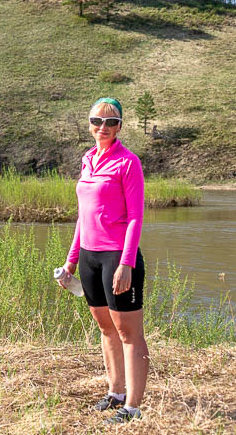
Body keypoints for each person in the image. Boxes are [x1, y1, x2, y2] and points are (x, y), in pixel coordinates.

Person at [60, 97, 149, 425]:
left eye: (111, 122)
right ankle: (116, 393)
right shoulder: (87, 160)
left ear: (120, 126)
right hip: (89, 258)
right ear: (89, 124)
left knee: (128, 333)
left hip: (117, 257)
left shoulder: (128, 163)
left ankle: (133, 408)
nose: (103, 127)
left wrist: (126, 263)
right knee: (105, 327)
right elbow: (84, 217)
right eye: (97, 121)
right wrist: (71, 262)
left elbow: (135, 218)